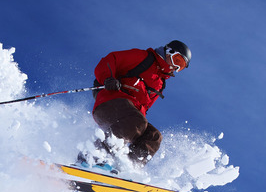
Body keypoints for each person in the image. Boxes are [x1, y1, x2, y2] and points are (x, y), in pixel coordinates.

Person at [81, 40, 191, 169]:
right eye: (177, 60)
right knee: (138, 121)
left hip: (130, 117)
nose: (176, 67)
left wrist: (140, 127)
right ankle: (93, 156)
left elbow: (144, 108)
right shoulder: (144, 58)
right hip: (110, 102)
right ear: (169, 52)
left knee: (154, 136)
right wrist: (108, 78)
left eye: (181, 66)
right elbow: (111, 60)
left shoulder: (160, 83)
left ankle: (127, 167)